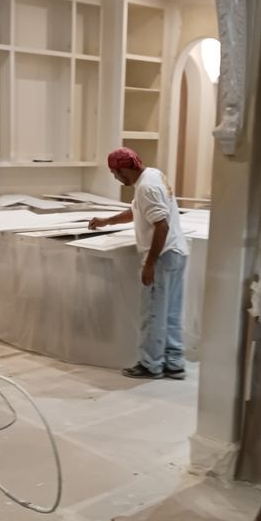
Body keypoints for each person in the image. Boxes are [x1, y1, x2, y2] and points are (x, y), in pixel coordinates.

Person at [89, 148, 188, 379]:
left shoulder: (146, 187)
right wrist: (107, 221)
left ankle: (150, 365)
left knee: (153, 314)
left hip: (163, 256)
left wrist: (150, 264)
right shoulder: (153, 175)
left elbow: (161, 225)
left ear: (124, 169)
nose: (116, 178)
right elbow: (138, 211)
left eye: (115, 173)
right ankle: (174, 363)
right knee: (171, 313)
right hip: (177, 252)